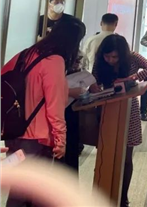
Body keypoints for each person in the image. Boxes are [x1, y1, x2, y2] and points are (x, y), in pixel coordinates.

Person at [2, 16, 86, 207]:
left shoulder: (26, 54)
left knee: (20, 189)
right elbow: (55, 106)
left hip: (14, 131)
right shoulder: (54, 61)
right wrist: (60, 140)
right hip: (37, 139)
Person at [90, 35, 147, 207]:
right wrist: (93, 87)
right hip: (106, 108)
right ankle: (103, 194)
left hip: (129, 108)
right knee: (106, 153)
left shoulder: (133, 57)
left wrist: (131, 78)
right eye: (107, 56)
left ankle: (123, 198)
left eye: (115, 57)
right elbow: (94, 80)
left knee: (126, 156)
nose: (111, 60)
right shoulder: (100, 61)